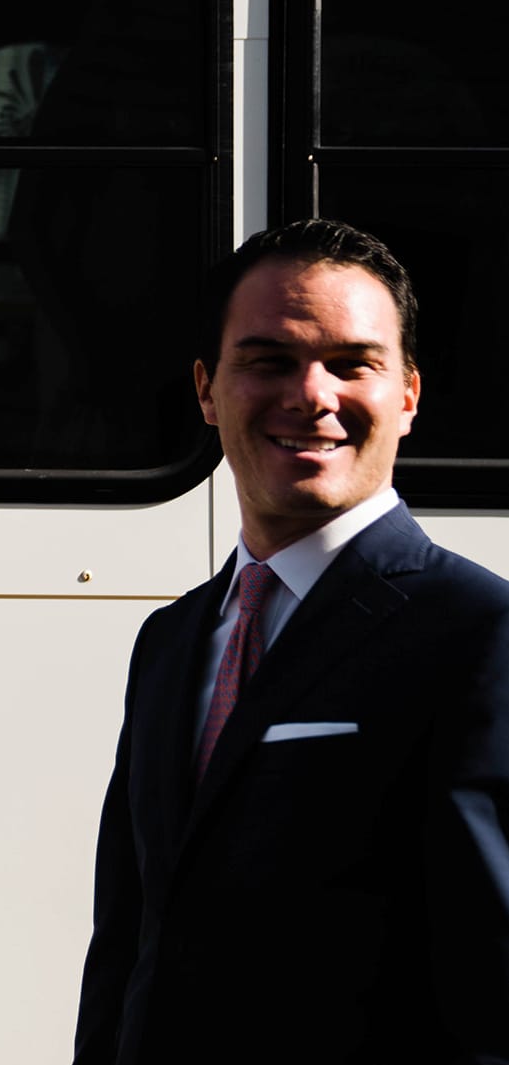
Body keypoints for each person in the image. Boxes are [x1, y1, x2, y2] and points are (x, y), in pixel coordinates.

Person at [74, 220, 509, 1063]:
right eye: (268, 360)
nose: (310, 394)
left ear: (408, 395)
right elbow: (127, 944)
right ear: (206, 389)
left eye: (352, 362)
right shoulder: (170, 640)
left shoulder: (477, 634)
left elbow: (492, 980)